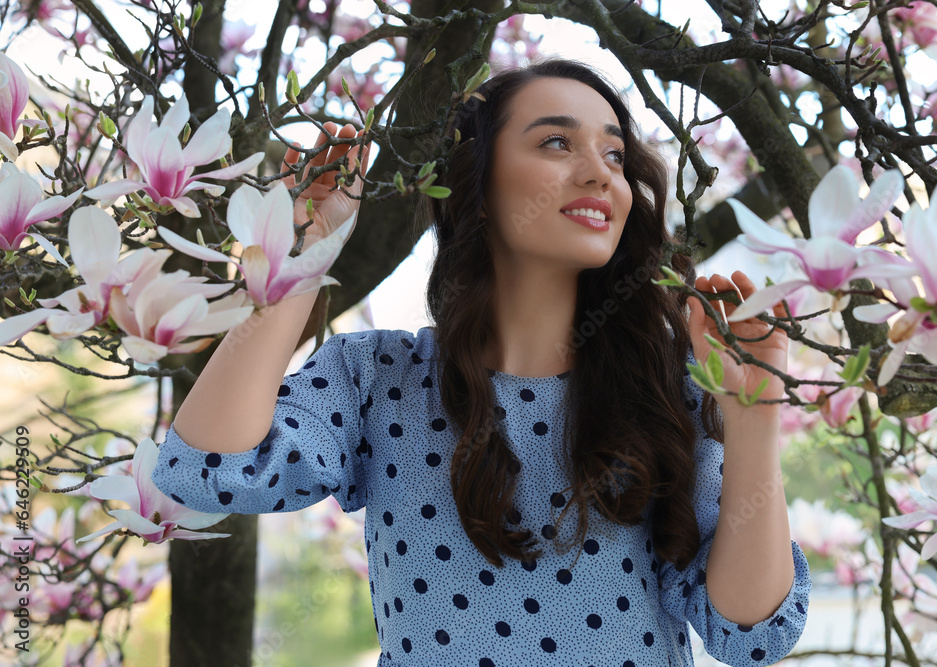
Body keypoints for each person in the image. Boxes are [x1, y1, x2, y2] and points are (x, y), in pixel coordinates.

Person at [151, 56, 811, 667]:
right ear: (479, 181)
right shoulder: (376, 377)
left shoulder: (666, 387)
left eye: (614, 152)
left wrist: (754, 415)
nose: (598, 171)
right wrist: (299, 259)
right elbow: (204, 471)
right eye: (557, 141)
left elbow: (752, 634)